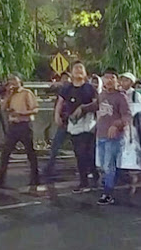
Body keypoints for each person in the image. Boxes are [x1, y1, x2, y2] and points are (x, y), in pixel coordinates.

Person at [56, 61, 99, 193]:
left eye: (81, 68)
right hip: (74, 124)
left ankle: (94, 175)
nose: (78, 70)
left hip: (89, 123)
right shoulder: (67, 88)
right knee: (79, 153)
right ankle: (83, 181)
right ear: (71, 72)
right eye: (76, 68)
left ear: (85, 73)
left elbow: (97, 104)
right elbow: (60, 102)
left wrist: (96, 120)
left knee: (89, 153)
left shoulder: (90, 88)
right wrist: (57, 115)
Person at [0, 73, 41, 189]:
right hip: (13, 126)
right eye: (10, 81)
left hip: (24, 124)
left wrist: (22, 113)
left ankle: (35, 178)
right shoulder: (10, 95)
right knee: (5, 152)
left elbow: (35, 109)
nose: (12, 83)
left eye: (15, 80)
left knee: (30, 152)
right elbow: (3, 108)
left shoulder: (26, 93)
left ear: (20, 81)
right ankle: (0, 178)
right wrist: (8, 95)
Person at [95, 68, 132, 205]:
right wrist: (82, 108)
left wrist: (116, 125)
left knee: (109, 166)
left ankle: (108, 193)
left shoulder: (121, 97)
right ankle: (116, 184)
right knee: (103, 165)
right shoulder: (102, 95)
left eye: (112, 78)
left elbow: (127, 116)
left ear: (117, 80)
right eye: (106, 77)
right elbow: (95, 106)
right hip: (101, 135)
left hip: (114, 137)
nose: (109, 80)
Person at [45, 72, 72, 180]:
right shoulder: (60, 91)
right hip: (64, 122)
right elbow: (49, 91)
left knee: (81, 148)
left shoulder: (75, 90)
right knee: (55, 145)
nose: (65, 80)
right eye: (63, 78)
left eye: (67, 78)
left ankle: (87, 169)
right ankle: (49, 167)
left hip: (74, 122)